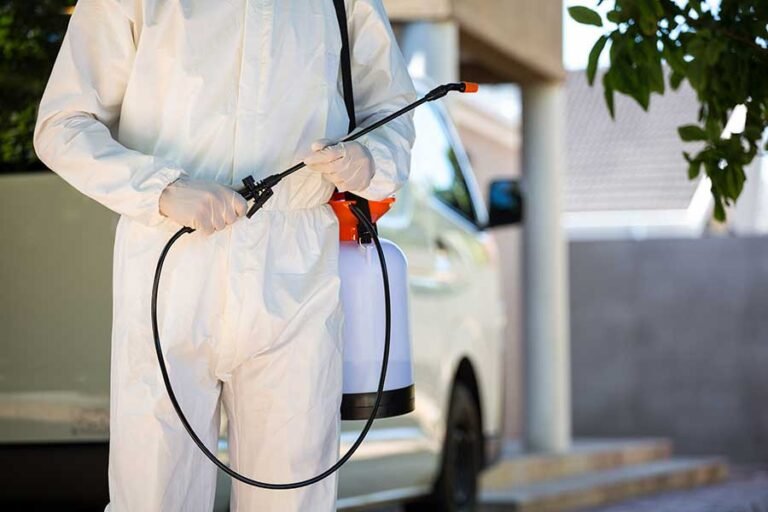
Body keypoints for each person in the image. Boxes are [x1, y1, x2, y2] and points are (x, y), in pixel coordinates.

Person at [33, 0, 416, 510]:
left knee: (294, 498)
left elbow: (392, 110)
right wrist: (162, 190)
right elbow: (62, 124)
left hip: (296, 269)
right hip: (169, 261)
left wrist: (368, 158)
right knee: (154, 496)